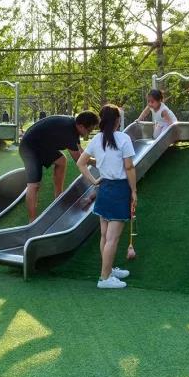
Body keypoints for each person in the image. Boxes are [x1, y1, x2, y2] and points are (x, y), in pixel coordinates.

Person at [76, 104, 137, 289]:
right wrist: (134, 191)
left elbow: (81, 163)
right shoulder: (123, 138)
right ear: (117, 120)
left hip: (104, 189)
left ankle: (108, 270)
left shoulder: (97, 139)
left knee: (105, 235)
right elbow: (129, 167)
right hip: (119, 189)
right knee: (112, 238)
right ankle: (104, 278)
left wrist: (94, 181)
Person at [18, 111, 100, 222]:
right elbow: (79, 160)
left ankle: (58, 197)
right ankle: (32, 221)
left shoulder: (74, 126)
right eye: (89, 130)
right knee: (34, 185)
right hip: (29, 148)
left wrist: (97, 162)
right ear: (81, 126)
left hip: (42, 146)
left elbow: (81, 152)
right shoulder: (68, 131)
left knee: (61, 161)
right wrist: (98, 164)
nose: (88, 133)